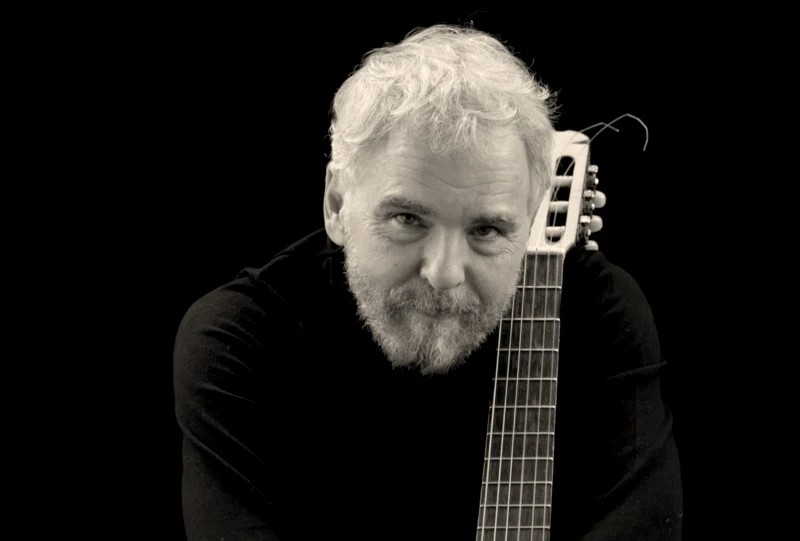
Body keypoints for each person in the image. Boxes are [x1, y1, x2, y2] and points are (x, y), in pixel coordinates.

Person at [173, 24, 683, 540]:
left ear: (530, 219)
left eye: (486, 230)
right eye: (408, 219)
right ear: (336, 205)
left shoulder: (600, 312)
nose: (443, 273)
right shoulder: (240, 339)